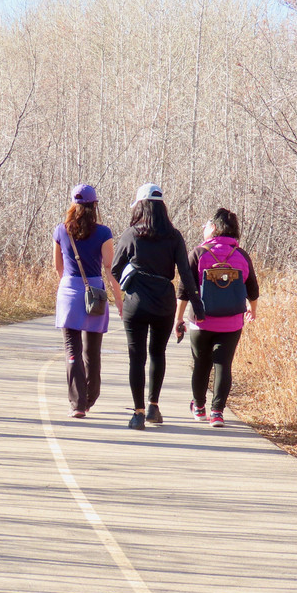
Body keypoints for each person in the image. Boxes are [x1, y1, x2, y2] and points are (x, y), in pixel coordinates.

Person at [112, 183, 204, 430]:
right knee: (157, 353)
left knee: (136, 357)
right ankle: (153, 407)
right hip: (164, 303)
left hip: (136, 303)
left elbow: (115, 268)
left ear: (140, 206)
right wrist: (197, 304)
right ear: (162, 208)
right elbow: (185, 273)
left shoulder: (131, 234)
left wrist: (132, 278)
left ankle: (138, 413)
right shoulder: (174, 236)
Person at [175, 208, 260, 427]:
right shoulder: (241, 256)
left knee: (201, 364)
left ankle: (199, 407)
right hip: (231, 322)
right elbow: (252, 288)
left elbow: (184, 290)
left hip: (201, 321)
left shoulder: (198, 253)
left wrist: (179, 318)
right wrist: (252, 309)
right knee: (223, 365)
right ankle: (217, 412)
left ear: (213, 227)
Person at [53, 184, 124, 418]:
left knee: (71, 350)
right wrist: (119, 300)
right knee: (92, 351)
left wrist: (69, 287)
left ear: (73, 204)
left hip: (68, 292)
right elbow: (109, 268)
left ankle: (77, 404)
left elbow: (58, 267)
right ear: (95, 205)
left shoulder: (60, 231)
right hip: (94, 293)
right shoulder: (104, 233)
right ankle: (90, 397)